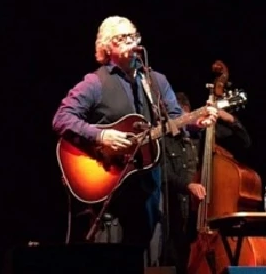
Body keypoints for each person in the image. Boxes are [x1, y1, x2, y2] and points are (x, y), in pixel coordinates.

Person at [52, 16, 216, 260]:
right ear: (108, 46)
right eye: (123, 38)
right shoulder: (95, 83)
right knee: (108, 255)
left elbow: (173, 119)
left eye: (134, 36)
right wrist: (101, 135)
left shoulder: (156, 81)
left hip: (146, 182)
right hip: (108, 183)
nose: (132, 42)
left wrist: (195, 123)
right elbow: (62, 118)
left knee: (139, 249)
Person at [160, 91, 251, 274]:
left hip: (202, 218)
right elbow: (162, 174)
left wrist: (224, 114)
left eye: (186, 117)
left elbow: (244, 141)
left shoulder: (203, 131)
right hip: (175, 219)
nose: (183, 124)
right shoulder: (165, 139)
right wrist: (187, 186)